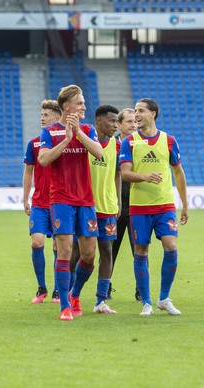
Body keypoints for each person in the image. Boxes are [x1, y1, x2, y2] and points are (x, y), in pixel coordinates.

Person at [38, 85, 103, 321]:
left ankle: (75, 295)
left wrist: (78, 134)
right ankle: (65, 306)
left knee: (89, 256)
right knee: (64, 250)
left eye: (84, 103)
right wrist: (65, 140)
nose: (84, 106)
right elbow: (43, 160)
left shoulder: (88, 129)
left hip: (85, 200)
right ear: (66, 106)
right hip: (61, 199)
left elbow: (99, 153)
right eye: (80, 103)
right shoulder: (51, 133)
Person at [120, 98, 189, 316]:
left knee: (171, 246)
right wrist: (144, 176)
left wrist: (185, 204)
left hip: (165, 205)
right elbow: (125, 173)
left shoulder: (169, 141)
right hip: (139, 207)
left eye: (141, 111)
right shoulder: (129, 142)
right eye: (135, 111)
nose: (136, 115)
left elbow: (178, 173)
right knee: (141, 250)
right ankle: (147, 302)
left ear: (153, 113)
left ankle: (164, 298)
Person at [82, 104, 120, 314]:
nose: (116, 125)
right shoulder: (86, 142)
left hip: (107, 207)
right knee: (80, 252)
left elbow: (117, 174)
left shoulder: (117, 145)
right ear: (99, 121)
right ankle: (67, 292)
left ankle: (100, 300)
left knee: (106, 250)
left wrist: (118, 202)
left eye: (117, 121)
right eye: (112, 121)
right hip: (86, 206)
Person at [23, 100, 62, 304]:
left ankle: (57, 290)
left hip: (60, 202)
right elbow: (28, 171)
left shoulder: (66, 141)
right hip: (39, 202)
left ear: (57, 118)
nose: (42, 117)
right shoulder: (35, 143)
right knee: (37, 242)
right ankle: (41, 288)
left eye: (46, 114)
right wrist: (25, 197)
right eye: (41, 114)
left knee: (58, 246)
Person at [110, 108, 137, 300]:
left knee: (139, 248)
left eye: (135, 121)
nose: (133, 125)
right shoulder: (111, 145)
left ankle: (140, 288)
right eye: (129, 121)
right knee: (110, 248)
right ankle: (105, 285)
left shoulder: (142, 145)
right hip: (115, 207)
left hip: (137, 205)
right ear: (119, 125)